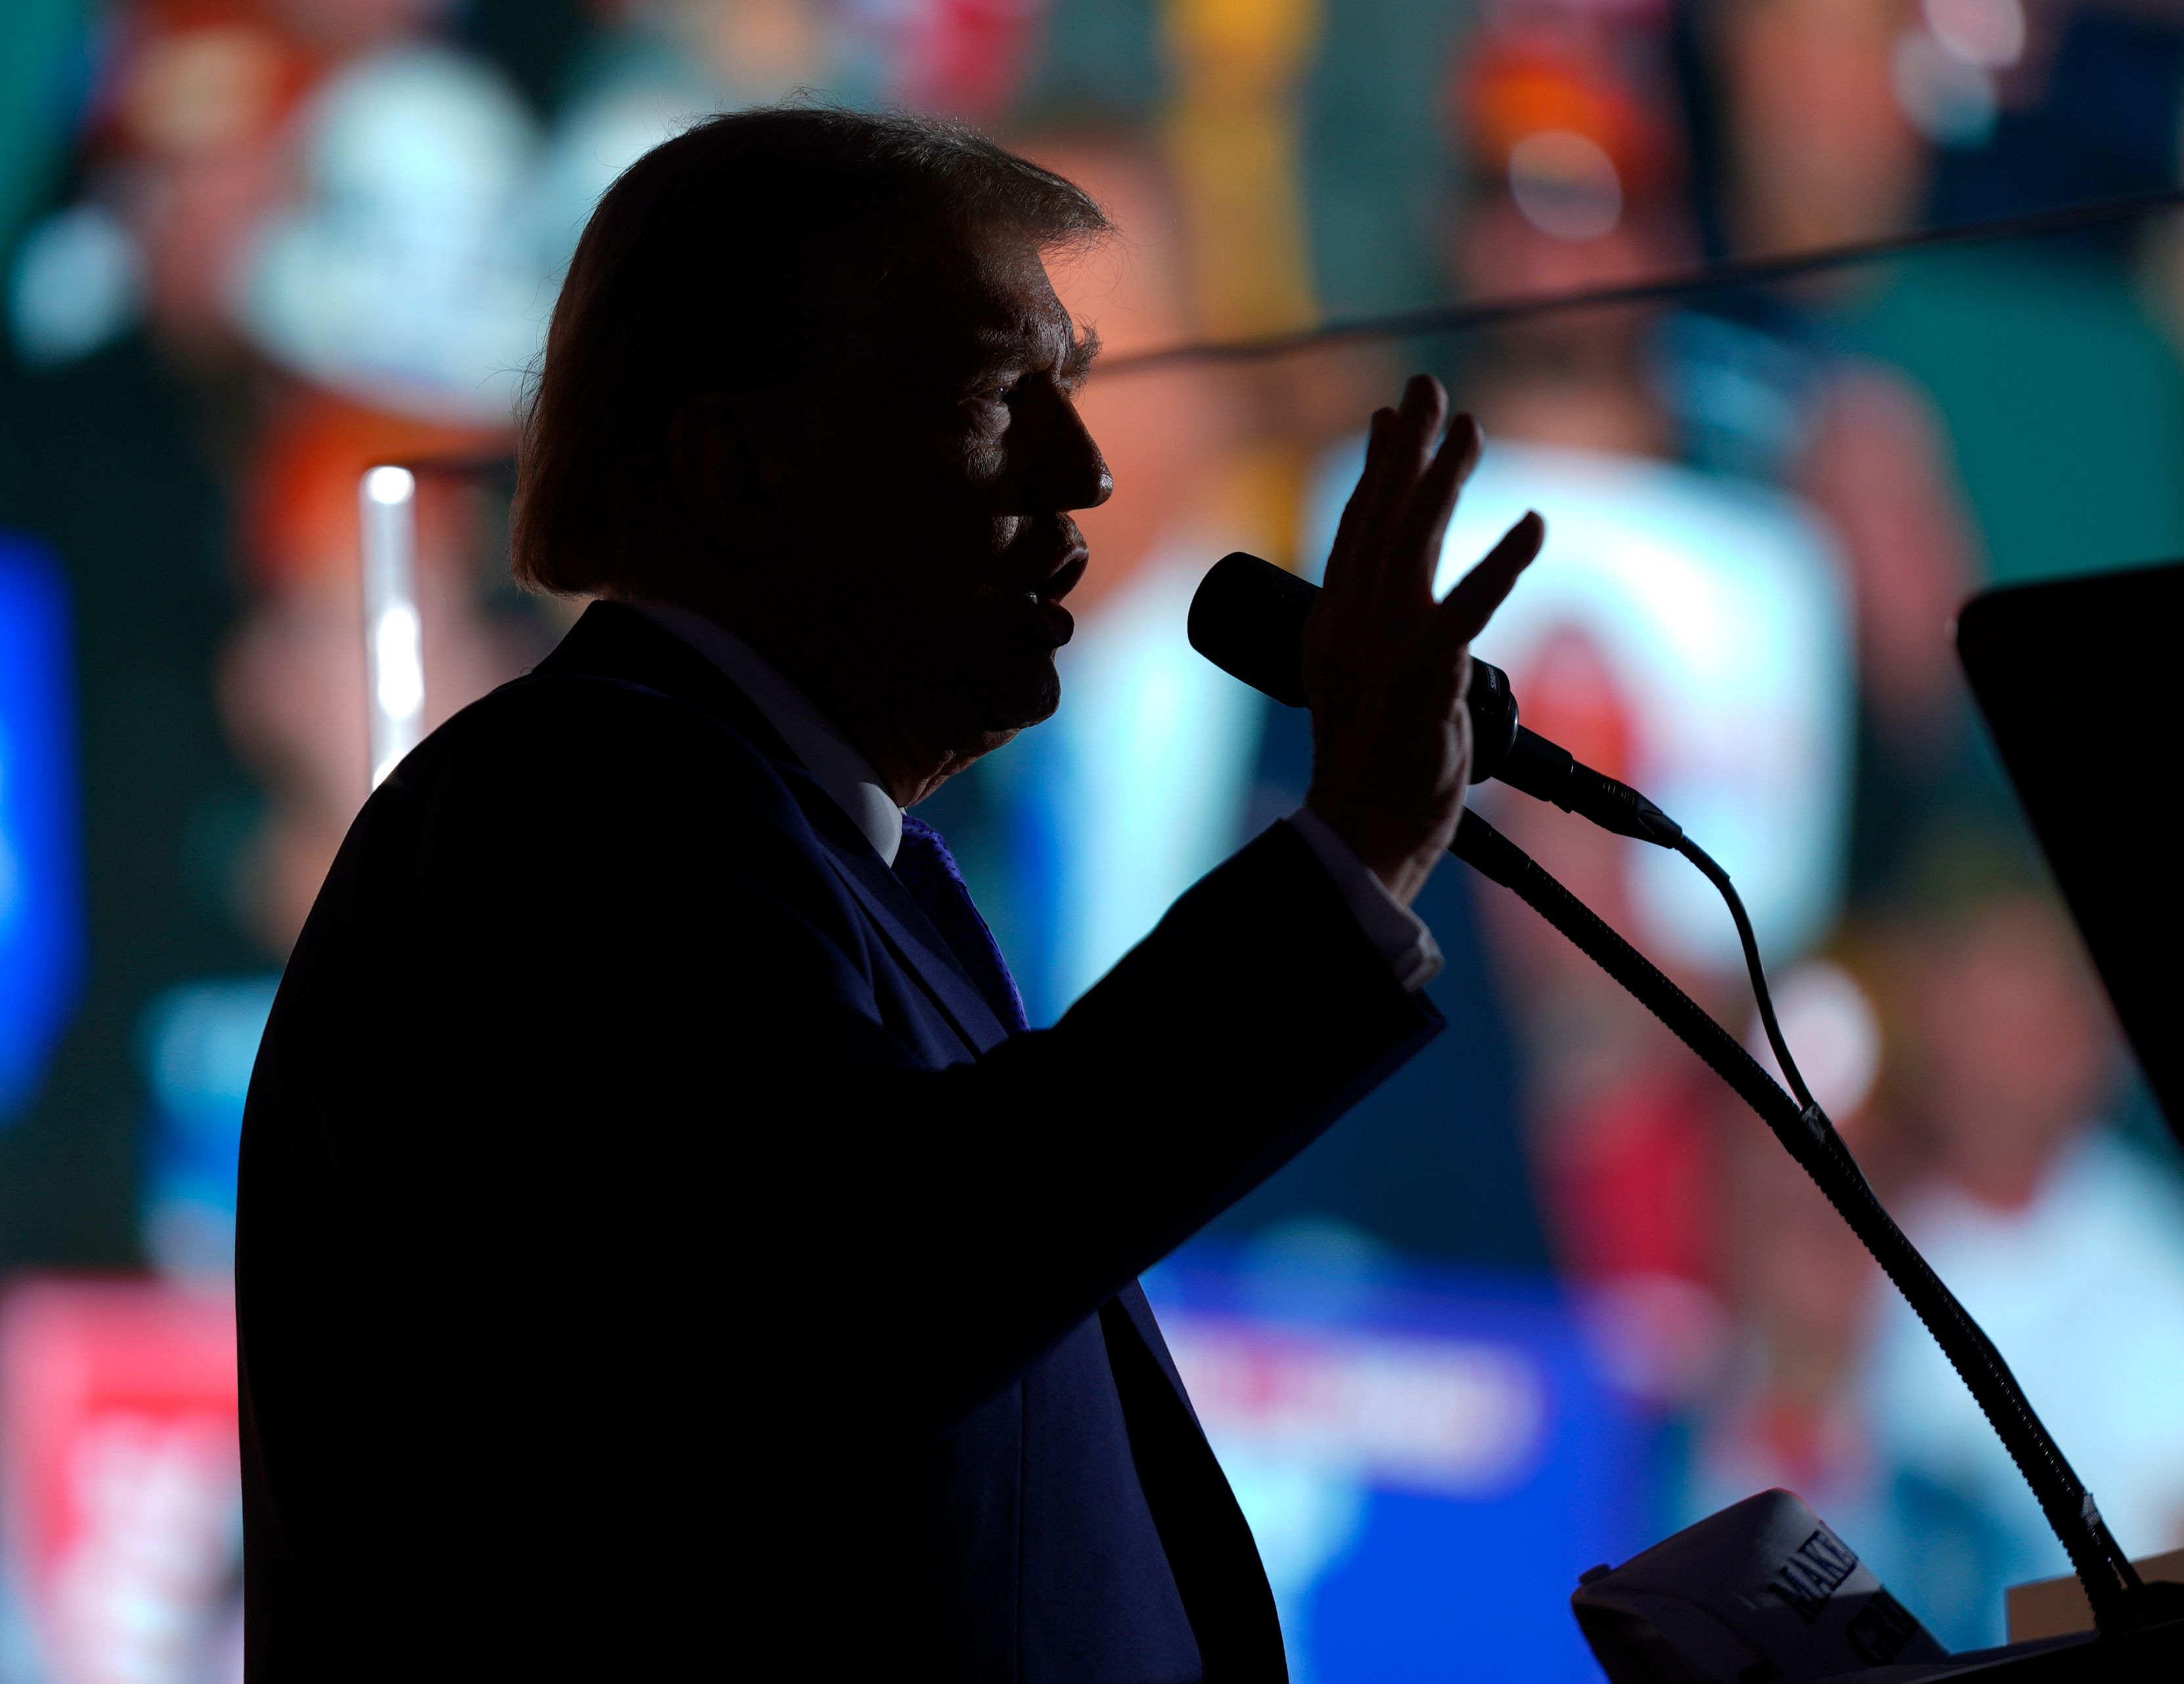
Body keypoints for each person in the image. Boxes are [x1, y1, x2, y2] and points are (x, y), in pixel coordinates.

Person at [234, 106, 1542, 1681]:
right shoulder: (594, 804)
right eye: (1002, 396)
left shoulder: (819, 846)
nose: (1089, 467)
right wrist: (1344, 863)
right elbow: (873, 1284)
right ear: (738, 467)